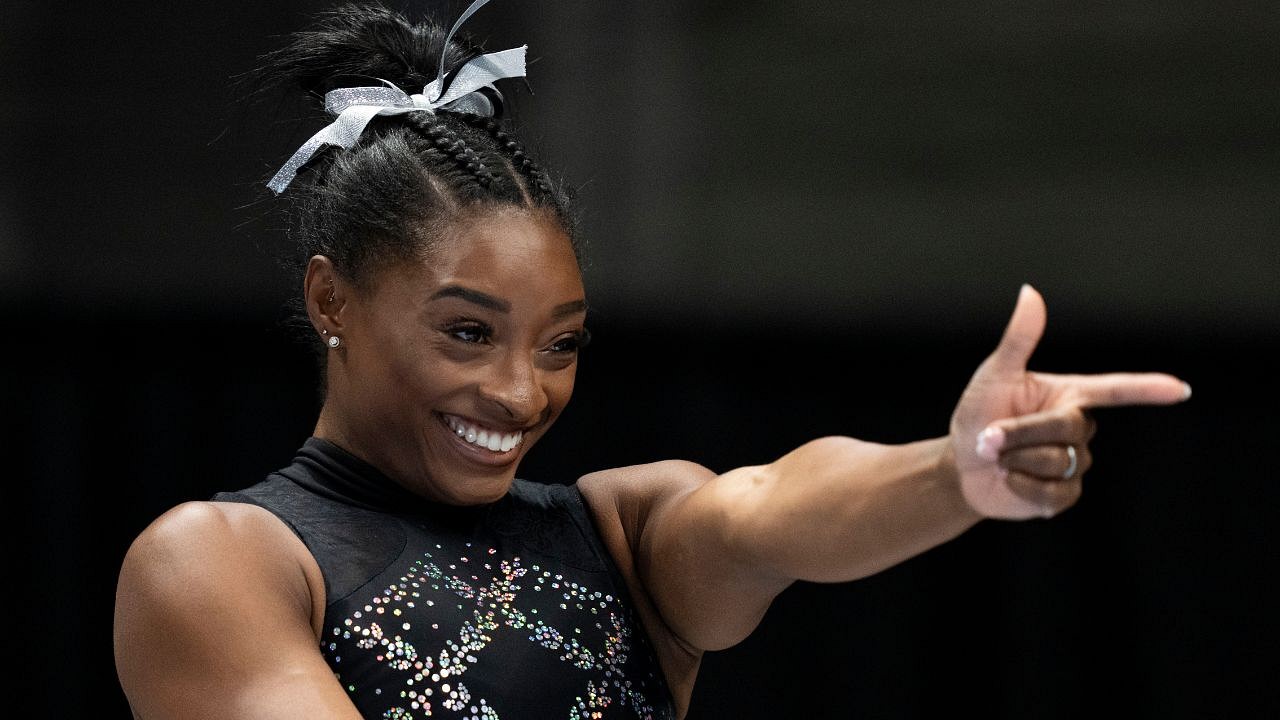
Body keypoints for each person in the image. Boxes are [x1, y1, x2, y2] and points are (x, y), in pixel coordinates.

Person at [112, 3, 1192, 719]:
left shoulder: (623, 540)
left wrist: (954, 472)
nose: (520, 392)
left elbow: (776, 507)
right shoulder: (225, 562)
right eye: (467, 332)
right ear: (329, 299)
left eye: (560, 344)